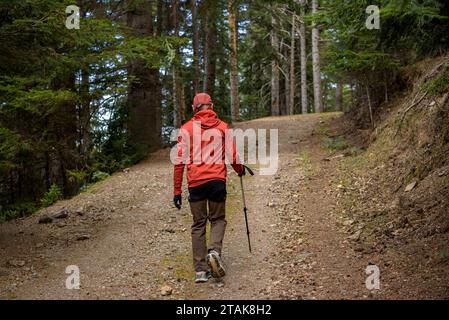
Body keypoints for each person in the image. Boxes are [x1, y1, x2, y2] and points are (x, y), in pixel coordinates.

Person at [173, 93, 245, 283]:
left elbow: (179, 162)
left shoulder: (186, 129)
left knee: (198, 224)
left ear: (193, 107)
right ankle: (214, 251)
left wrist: (177, 191)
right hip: (216, 181)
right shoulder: (222, 127)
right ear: (211, 105)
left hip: (196, 182)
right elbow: (233, 155)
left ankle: (200, 270)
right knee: (218, 219)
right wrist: (240, 170)